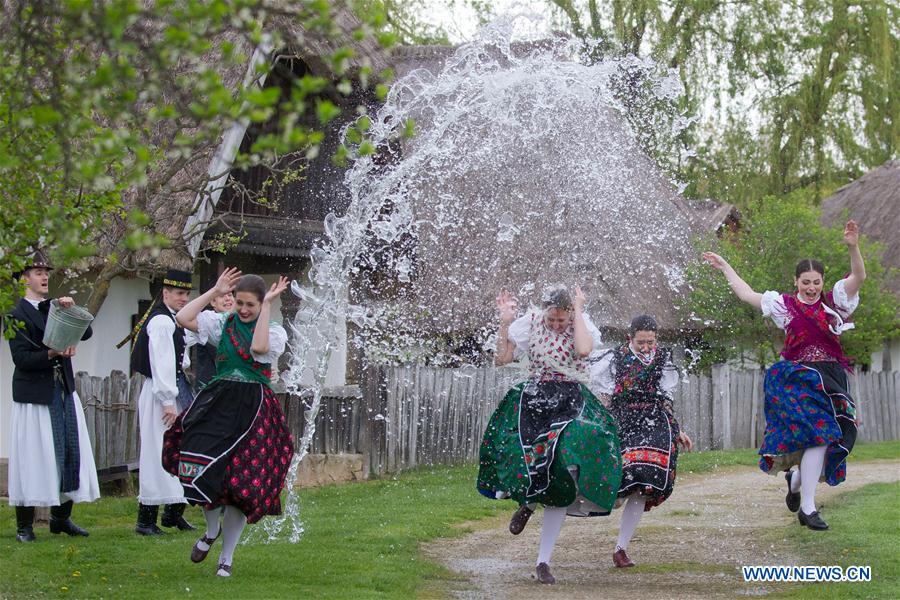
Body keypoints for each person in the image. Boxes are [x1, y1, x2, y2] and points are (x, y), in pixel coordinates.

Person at [702, 219, 865, 531]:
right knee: (818, 437)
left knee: (835, 440)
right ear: (796, 281)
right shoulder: (784, 305)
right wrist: (725, 267)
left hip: (831, 378)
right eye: (806, 281)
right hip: (798, 378)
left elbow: (859, 276)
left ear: (822, 282)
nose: (811, 287)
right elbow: (746, 294)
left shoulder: (835, 305)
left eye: (816, 281)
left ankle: (794, 483)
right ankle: (808, 508)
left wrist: (853, 246)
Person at [477, 285, 622, 585]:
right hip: (535, 398)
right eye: (551, 320)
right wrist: (504, 322)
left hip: (570, 400)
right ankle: (528, 503)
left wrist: (578, 310)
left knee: (563, 470)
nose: (556, 325)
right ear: (543, 313)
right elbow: (501, 359)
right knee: (532, 463)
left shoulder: (580, 322)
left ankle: (543, 561)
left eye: (561, 320)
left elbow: (583, 350)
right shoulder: (529, 323)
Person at [166, 268, 294, 577]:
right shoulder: (221, 322)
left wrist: (266, 310)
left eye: (251, 304)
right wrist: (214, 291)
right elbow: (183, 317)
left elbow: (260, 349)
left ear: (262, 304)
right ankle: (211, 532)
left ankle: (227, 557)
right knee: (202, 467)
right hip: (219, 403)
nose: (244, 310)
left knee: (242, 483)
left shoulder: (275, 331)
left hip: (254, 409)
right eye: (240, 303)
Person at [6, 250, 100, 541]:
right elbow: (21, 359)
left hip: (63, 391)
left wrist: (71, 309)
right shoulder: (15, 314)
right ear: (24, 278)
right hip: (34, 396)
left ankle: (61, 519)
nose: (45, 276)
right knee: (34, 457)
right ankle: (25, 526)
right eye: (37, 272)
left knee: (73, 450)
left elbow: (86, 334)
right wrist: (52, 353)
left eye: (46, 271)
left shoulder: (55, 307)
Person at [590, 315, 692, 567]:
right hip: (624, 417)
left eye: (651, 342)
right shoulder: (615, 358)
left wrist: (676, 429)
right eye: (641, 342)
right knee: (624, 474)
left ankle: (621, 548)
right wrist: (601, 424)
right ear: (630, 338)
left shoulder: (663, 359)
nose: (647, 347)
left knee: (645, 480)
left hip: (653, 418)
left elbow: (665, 398)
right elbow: (604, 396)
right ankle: (613, 497)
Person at [131, 268, 197, 534]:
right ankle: (145, 520)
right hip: (161, 393)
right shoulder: (161, 322)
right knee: (158, 450)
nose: (183, 298)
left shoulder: (172, 319)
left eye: (186, 294)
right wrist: (168, 401)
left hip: (172, 390)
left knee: (178, 449)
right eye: (179, 293)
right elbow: (162, 364)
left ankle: (173, 513)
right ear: (166, 292)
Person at [193, 291, 234, 391]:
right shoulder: (206, 322)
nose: (228, 298)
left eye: (230, 295)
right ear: (213, 302)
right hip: (210, 388)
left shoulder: (240, 323)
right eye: (222, 295)